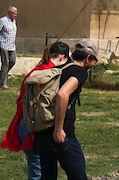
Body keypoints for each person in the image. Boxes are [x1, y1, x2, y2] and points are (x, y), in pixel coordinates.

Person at [2, 41, 69, 180]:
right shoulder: (53, 75)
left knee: (37, 170)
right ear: (62, 57)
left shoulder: (35, 72)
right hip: (39, 126)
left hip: (26, 122)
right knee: (41, 172)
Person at [34, 41, 98, 180]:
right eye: (94, 61)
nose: (93, 65)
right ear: (88, 58)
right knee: (78, 176)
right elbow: (63, 94)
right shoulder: (79, 72)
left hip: (42, 131)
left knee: (48, 176)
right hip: (62, 134)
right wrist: (58, 129)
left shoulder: (59, 68)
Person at [0, 6, 19, 88]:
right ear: (10, 13)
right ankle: (3, 83)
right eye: (14, 14)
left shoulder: (13, 21)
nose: (15, 16)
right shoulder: (3, 20)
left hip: (12, 45)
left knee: (13, 61)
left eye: (16, 14)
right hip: (3, 44)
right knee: (5, 63)